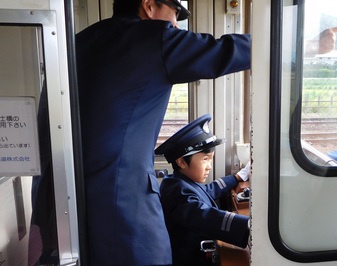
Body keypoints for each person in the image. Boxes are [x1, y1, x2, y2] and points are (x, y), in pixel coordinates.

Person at [75, 0, 251, 265]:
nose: (176, 26)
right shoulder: (152, 38)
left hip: (69, 202)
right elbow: (224, 51)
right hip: (123, 205)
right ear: (148, 5)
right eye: (175, 14)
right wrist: (293, 44)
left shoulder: (80, 40)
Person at [154, 114, 251, 266]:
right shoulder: (178, 194)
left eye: (211, 159)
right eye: (205, 159)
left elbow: (207, 191)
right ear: (181, 162)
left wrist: (237, 177)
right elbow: (205, 216)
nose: (209, 166)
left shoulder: (181, 182)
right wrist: (250, 226)